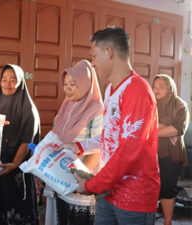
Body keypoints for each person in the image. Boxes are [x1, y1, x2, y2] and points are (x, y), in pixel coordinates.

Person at [58, 26, 160, 225]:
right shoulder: (111, 90)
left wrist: (92, 184)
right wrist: (78, 147)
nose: (93, 64)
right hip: (108, 191)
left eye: (94, 57)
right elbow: (109, 137)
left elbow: (129, 152)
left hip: (134, 198)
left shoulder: (137, 91)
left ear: (109, 52)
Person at [0, 64, 41, 225]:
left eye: (13, 80)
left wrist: (14, 164)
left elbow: (28, 140)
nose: (7, 84)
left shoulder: (28, 108)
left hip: (16, 162)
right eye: (4, 79)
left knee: (15, 205)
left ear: (20, 83)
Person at [44, 59, 104, 225]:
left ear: (85, 84)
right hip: (60, 179)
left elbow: (98, 149)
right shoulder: (67, 106)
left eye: (73, 84)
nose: (67, 89)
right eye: (65, 84)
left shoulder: (96, 110)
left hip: (80, 182)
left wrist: (79, 180)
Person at [152, 74, 190, 225]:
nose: (157, 90)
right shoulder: (149, 103)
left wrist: (153, 130)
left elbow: (176, 129)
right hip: (150, 152)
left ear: (170, 87)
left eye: (162, 86)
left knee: (167, 187)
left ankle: (167, 222)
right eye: (154, 86)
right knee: (150, 187)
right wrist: (162, 127)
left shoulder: (180, 105)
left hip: (170, 154)